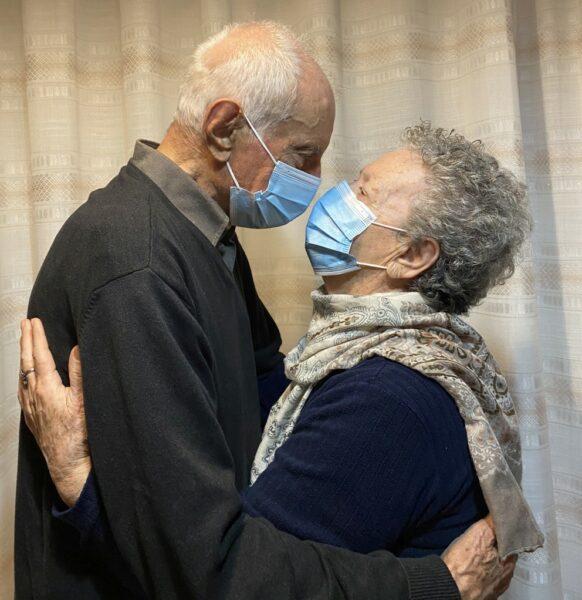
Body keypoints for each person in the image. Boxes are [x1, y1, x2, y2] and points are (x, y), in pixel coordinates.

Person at [15, 20, 512, 600]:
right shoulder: (138, 260)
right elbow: (206, 570)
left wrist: (82, 484)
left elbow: (265, 394)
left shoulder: (211, 241)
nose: (318, 184)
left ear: (415, 254)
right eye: (304, 155)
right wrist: (436, 585)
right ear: (225, 128)